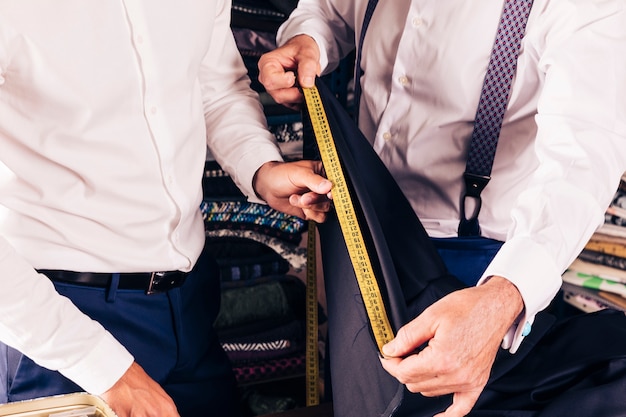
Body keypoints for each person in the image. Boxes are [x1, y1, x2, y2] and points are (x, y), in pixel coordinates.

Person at [258, 1, 626, 416]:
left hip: (475, 274)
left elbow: (584, 157)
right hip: (356, 240)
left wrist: (504, 297)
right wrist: (309, 40)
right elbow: (328, 10)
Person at [0, 1, 332, 417]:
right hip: (67, 323)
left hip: (191, 305)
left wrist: (260, 169)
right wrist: (108, 372)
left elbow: (216, 86)